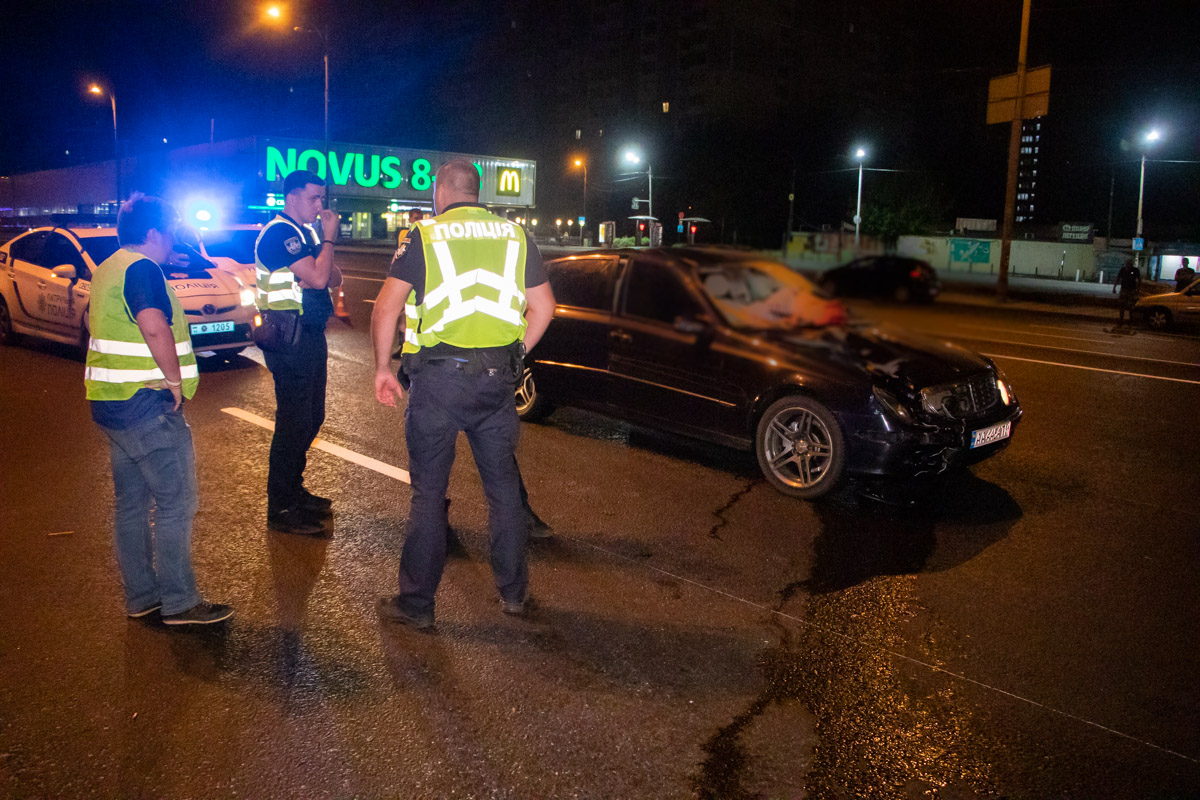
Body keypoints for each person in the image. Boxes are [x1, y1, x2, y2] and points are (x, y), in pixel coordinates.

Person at [370, 159, 556, 628]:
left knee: (429, 496)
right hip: (495, 383)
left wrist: (381, 368)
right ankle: (514, 594)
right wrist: (515, 354)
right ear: (477, 191)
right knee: (504, 494)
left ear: (440, 190)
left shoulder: (424, 236)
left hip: (437, 383)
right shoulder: (517, 236)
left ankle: (417, 607)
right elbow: (544, 307)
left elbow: (386, 307)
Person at [84, 193, 233, 625]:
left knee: (131, 505)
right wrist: (173, 381)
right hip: (147, 403)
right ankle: (181, 602)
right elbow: (153, 325)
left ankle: (142, 596)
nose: (172, 239)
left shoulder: (109, 267)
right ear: (152, 232)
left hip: (112, 403)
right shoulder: (142, 268)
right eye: (169, 230)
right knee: (175, 503)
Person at [254, 169, 343, 535]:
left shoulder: (303, 234)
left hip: (309, 334)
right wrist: (328, 243)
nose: (320, 205)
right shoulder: (279, 233)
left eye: (321, 198)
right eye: (313, 198)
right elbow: (321, 278)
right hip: (289, 338)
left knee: (312, 417)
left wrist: (320, 257)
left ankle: (294, 489)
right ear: (291, 197)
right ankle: (281, 506)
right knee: (293, 421)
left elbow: (331, 277)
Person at [1113, 257, 1141, 327]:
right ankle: (1121, 321)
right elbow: (1118, 278)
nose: (1128, 265)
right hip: (1124, 289)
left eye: (1129, 263)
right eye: (1127, 263)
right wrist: (1114, 287)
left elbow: (1139, 279)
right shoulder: (1123, 270)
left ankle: (1130, 321)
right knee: (1122, 306)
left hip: (1131, 290)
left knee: (1131, 307)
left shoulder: (1135, 270)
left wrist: (1138, 289)